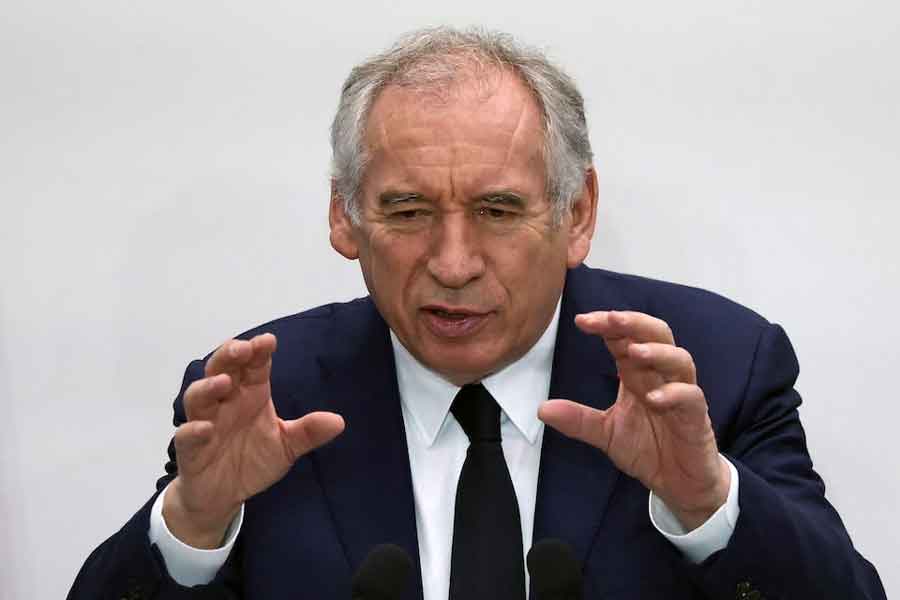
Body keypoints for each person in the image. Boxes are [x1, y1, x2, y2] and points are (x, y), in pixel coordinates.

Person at [68, 27, 886, 600]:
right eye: (408, 211)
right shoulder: (263, 395)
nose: (453, 264)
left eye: (498, 211)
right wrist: (194, 526)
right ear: (344, 217)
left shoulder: (718, 367)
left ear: (577, 213)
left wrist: (710, 504)